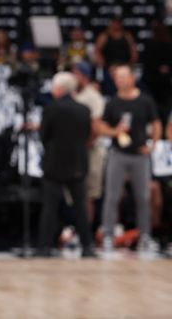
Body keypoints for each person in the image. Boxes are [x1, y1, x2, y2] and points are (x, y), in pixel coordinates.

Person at [96, 65, 162, 254]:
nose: (120, 80)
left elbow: (156, 123)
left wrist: (153, 144)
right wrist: (114, 132)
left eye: (123, 77)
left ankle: (145, 236)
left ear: (132, 78)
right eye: (117, 78)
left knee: (143, 197)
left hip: (140, 155)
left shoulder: (145, 100)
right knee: (112, 196)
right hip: (118, 153)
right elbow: (101, 127)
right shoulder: (113, 102)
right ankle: (108, 235)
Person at [36, 72, 95, 257]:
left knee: (50, 207)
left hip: (54, 164)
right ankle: (87, 247)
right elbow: (87, 136)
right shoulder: (84, 110)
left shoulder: (51, 109)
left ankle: (44, 247)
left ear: (60, 88)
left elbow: (43, 136)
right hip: (77, 163)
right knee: (80, 207)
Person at [71, 62, 106, 222]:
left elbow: (97, 126)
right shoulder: (72, 94)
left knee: (88, 194)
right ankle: (75, 230)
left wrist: (86, 143)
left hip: (90, 150)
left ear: (84, 76)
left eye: (76, 73)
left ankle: (85, 235)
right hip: (74, 150)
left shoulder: (93, 96)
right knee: (74, 193)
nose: (73, 76)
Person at [93, 18, 138, 95]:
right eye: (114, 23)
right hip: (109, 68)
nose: (116, 25)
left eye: (118, 23)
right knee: (109, 89)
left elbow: (133, 51)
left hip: (124, 67)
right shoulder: (104, 36)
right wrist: (106, 66)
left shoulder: (127, 36)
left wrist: (129, 66)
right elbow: (97, 51)